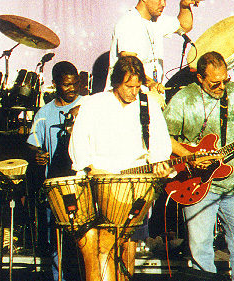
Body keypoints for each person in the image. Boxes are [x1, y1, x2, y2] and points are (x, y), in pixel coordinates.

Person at [69, 55, 174, 281]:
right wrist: (91, 168)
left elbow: (160, 147)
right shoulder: (94, 104)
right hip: (97, 184)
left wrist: (160, 165)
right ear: (116, 82)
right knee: (100, 246)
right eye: (128, 86)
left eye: (137, 86)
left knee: (128, 247)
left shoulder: (148, 105)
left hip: (134, 186)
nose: (133, 92)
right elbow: (78, 143)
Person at [163, 51, 234, 281]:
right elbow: (163, 138)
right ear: (200, 78)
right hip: (196, 185)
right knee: (200, 250)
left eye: (225, 80)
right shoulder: (184, 99)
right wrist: (190, 155)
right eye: (214, 83)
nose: (221, 86)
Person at [26, 60, 82, 280]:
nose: (72, 88)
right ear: (55, 84)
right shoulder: (44, 113)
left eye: (76, 83)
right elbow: (33, 142)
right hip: (54, 187)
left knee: (81, 240)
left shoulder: (88, 105)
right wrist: (36, 154)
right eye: (67, 84)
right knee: (56, 241)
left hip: (81, 185)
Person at [106, 0, 200, 92]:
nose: (163, 4)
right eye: (159, 0)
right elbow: (129, 66)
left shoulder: (157, 20)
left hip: (150, 94)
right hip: (128, 96)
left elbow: (185, 25)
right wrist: (151, 84)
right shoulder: (129, 23)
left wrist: (184, 5)